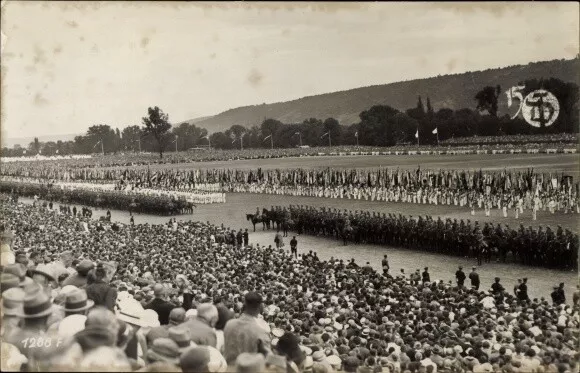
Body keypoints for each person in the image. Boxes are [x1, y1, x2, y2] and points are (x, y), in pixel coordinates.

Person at [223, 292, 271, 365]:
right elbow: (268, 358)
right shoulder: (261, 331)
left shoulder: (229, 324)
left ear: (244, 304)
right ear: (260, 307)